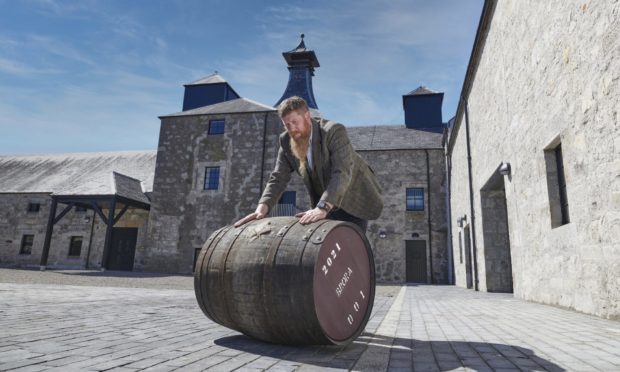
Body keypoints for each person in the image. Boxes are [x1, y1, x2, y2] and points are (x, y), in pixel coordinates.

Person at [235, 96, 383, 232]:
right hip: (323, 201)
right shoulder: (286, 141)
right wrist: (262, 208)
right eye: (287, 125)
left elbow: (342, 172)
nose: (292, 129)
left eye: (295, 122)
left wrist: (323, 207)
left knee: (352, 248)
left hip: (354, 195)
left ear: (307, 116)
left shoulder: (333, 131)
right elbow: (278, 177)